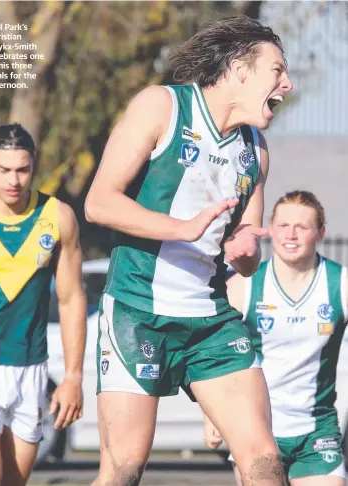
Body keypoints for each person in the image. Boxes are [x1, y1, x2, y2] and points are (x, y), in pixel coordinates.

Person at [85, 16, 293, 486]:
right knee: (123, 469)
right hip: (138, 309)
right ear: (240, 69)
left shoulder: (254, 151)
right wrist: (181, 229)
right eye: (277, 71)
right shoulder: (161, 106)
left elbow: (246, 253)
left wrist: (243, 253)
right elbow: (99, 202)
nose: (287, 84)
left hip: (210, 319)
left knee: (263, 458)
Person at [0, 124, 87, 486]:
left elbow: (70, 299)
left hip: (30, 371)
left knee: (12, 480)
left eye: (22, 169)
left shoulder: (59, 217)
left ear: (33, 165)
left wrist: (73, 376)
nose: (14, 180)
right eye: (4, 170)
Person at [204, 190, 347, 485]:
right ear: (270, 228)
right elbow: (208, 349)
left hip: (316, 432)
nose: (290, 235)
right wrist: (210, 414)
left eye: (302, 227)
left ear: (321, 232)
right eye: (283, 226)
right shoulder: (245, 286)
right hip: (255, 429)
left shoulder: (340, 283)